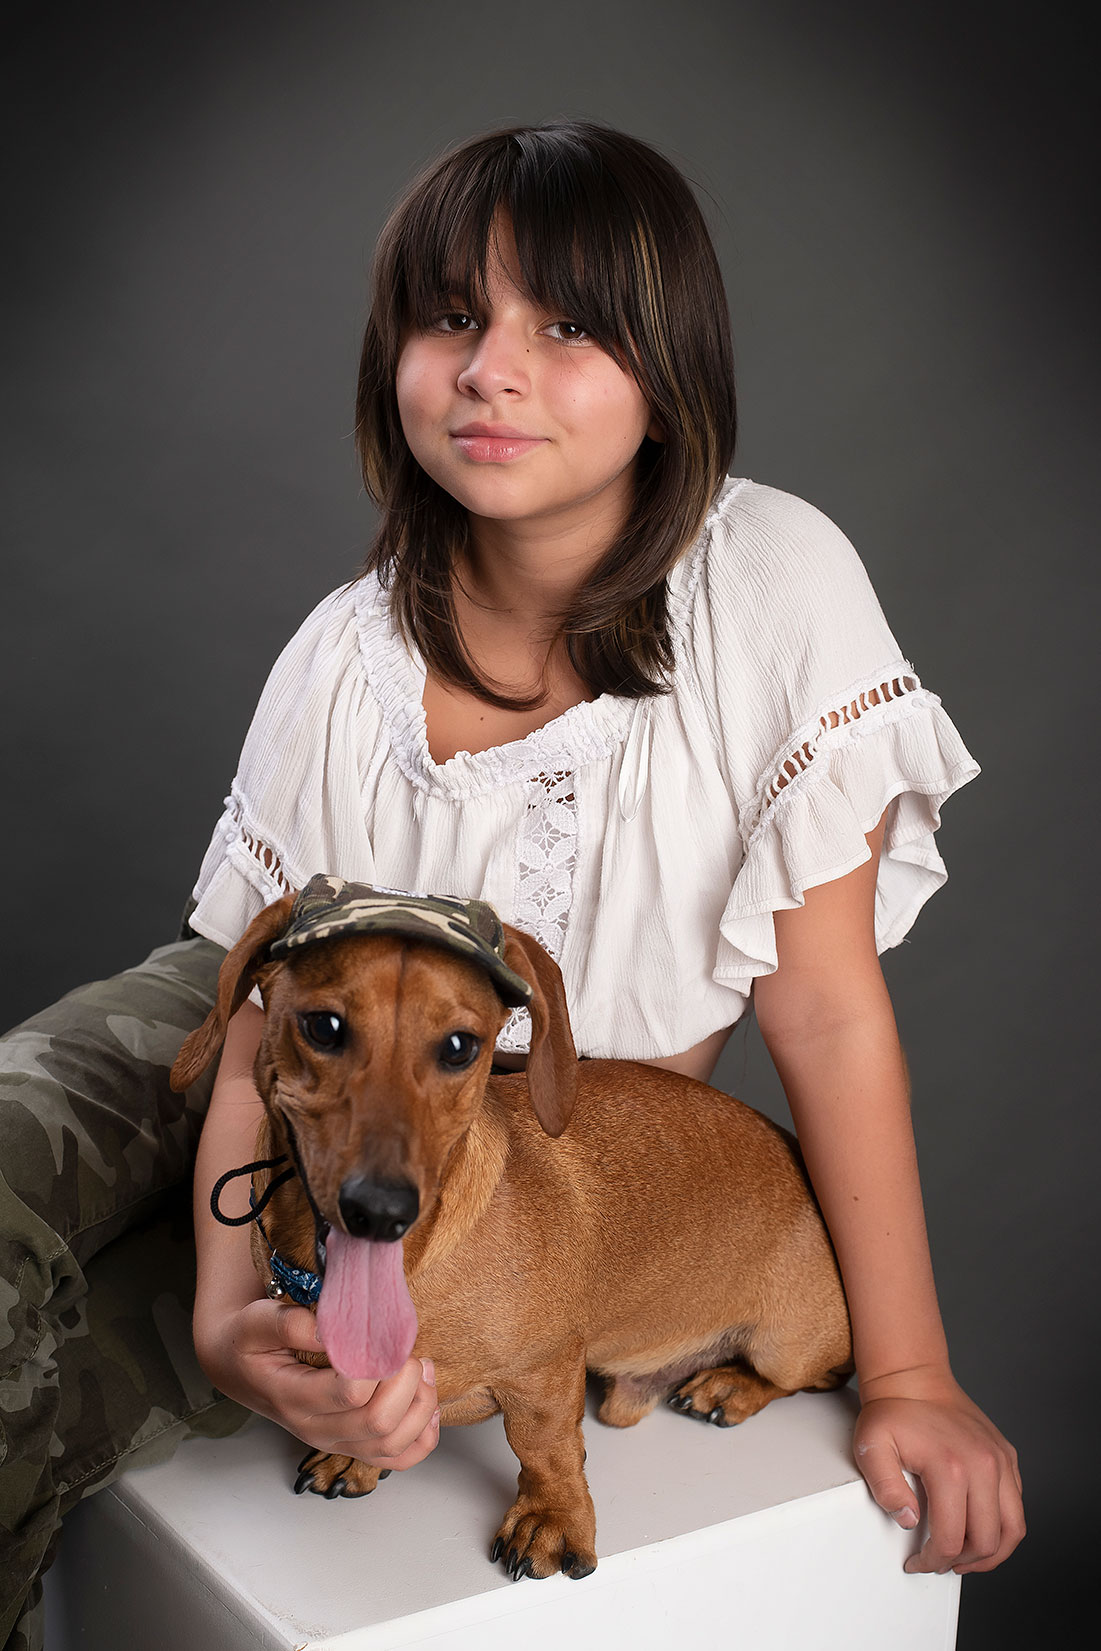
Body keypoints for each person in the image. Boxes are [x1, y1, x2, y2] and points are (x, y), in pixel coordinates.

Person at [0, 120, 1023, 1646]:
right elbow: (255, 1016)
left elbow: (822, 1007)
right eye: (451, 319)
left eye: (564, 328)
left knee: (45, 1391)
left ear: (669, 374)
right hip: (253, 1029)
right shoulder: (340, 656)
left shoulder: (770, 580)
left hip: (473, 1139)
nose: (490, 370)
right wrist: (220, 1320)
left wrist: (911, 1374)